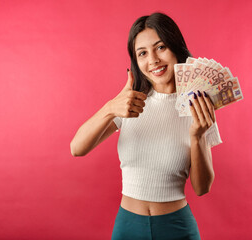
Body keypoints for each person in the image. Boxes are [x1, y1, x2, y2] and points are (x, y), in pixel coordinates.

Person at [70, 12, 222, 240]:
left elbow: (202, 188)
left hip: (176, 226)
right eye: (142, 53)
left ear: (175, 47)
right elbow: (76, 148)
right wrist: (110, 107)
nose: (153, 60)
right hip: (128, 225)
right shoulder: (131, 103)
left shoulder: (197, 106)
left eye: (160, 48)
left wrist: (197, 136)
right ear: (136, 61)